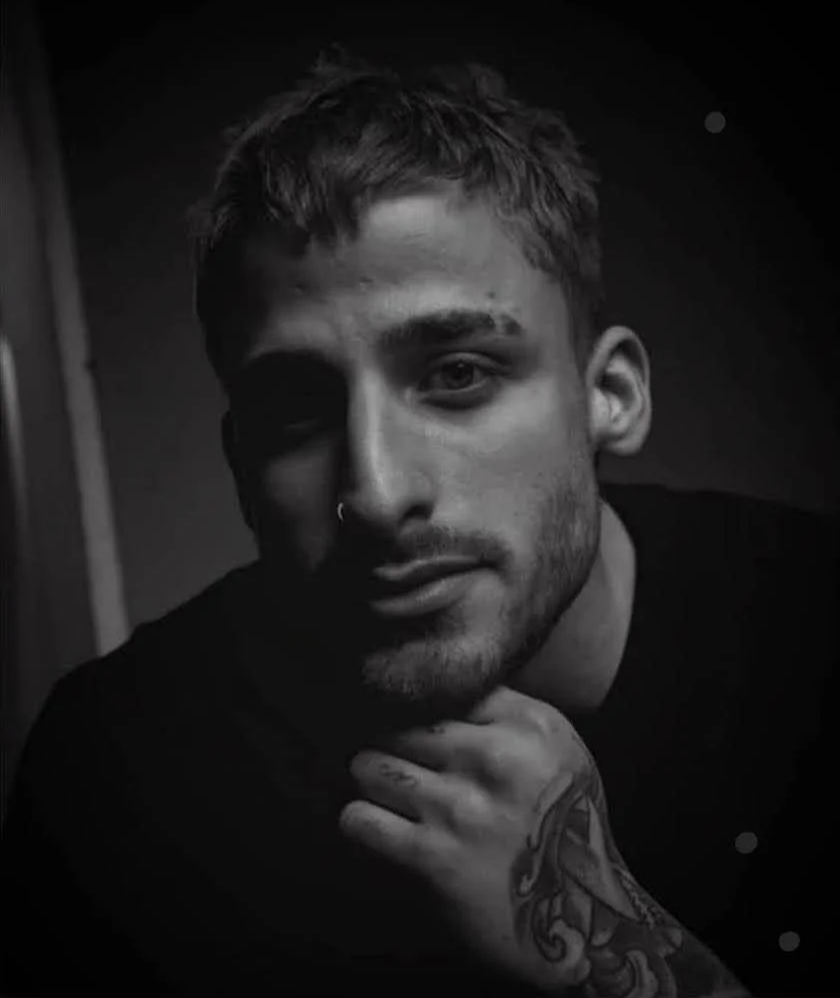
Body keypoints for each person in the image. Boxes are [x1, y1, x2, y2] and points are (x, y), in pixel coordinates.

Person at [1, 50, 837, 997]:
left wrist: (617, 962)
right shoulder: (117, 775)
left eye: (457, 374)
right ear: (242, 464)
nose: (379, 490)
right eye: (297, 412)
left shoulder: (810, 639)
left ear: (610, 395)